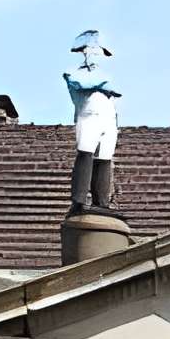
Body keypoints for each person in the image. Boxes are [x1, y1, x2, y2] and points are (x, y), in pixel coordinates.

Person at [66, 29, 122, 213]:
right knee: (86, 152)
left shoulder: (107, 77)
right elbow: (82, 84)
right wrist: (106, 84)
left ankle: (102, 202)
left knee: (104, 157)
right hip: (89, 116)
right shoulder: (74, 73)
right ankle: (79, 200)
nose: (96, 55)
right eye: (93, 50)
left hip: (107, 119)